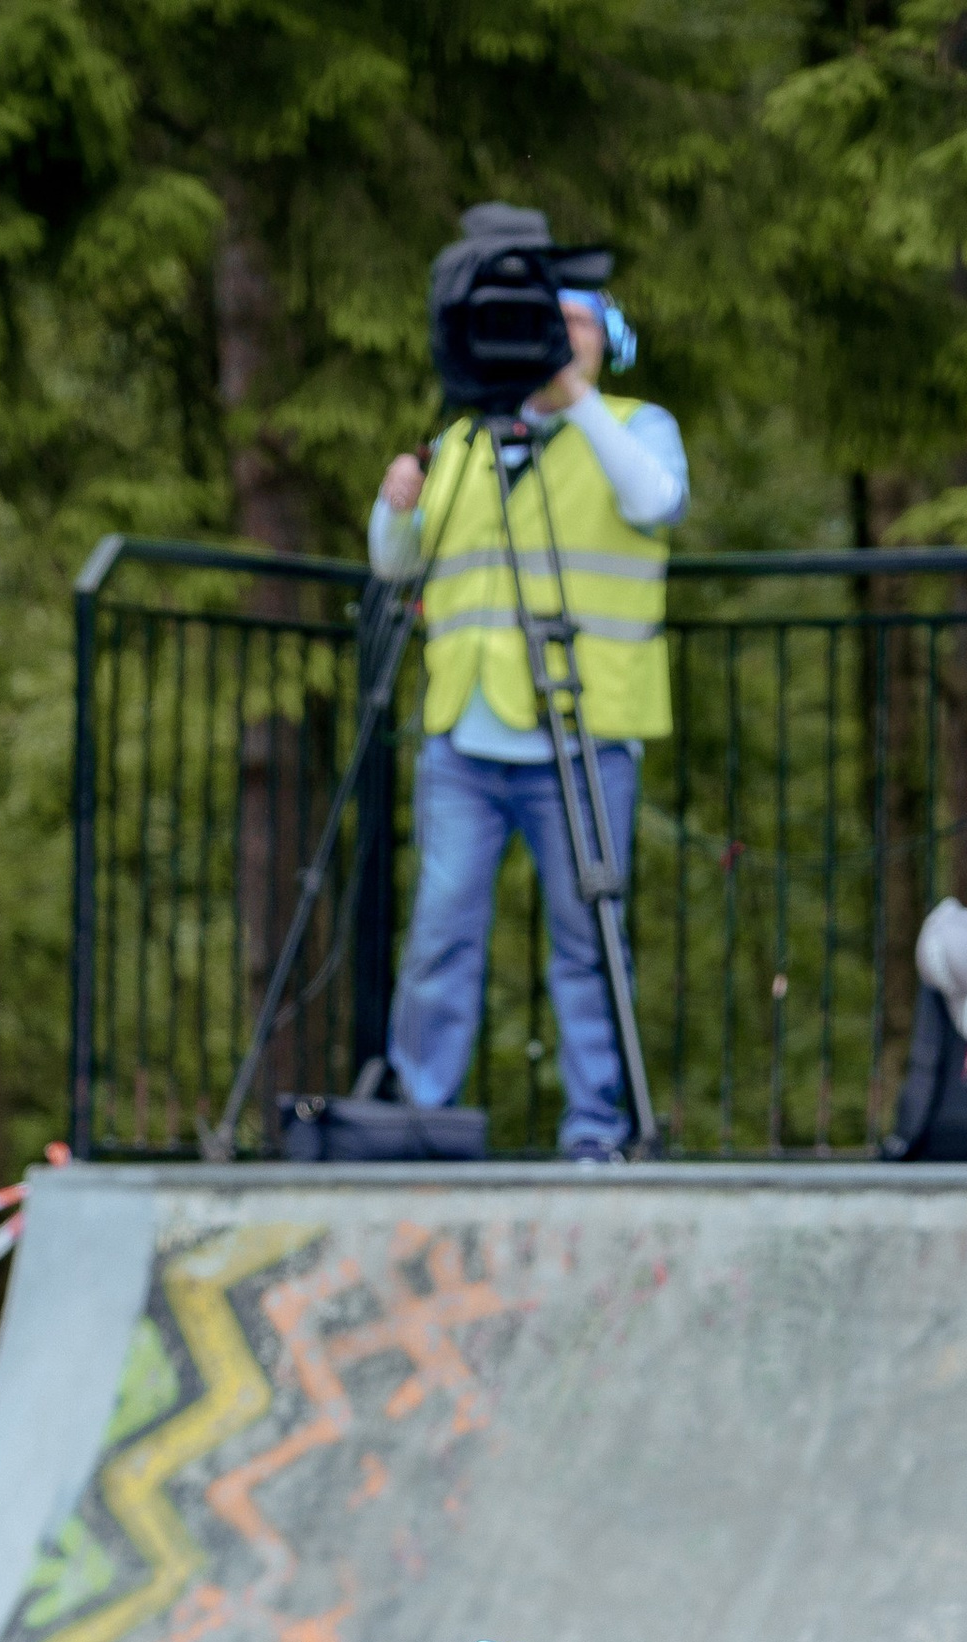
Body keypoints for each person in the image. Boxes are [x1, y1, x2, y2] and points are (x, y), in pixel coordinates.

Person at [372, 205, 687, 1162]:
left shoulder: (635, 426)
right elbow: (397, 564)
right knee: (439, 936)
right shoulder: (464, 442)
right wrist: (394, 507)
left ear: (603, 339)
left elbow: (657, 500)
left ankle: (597, 1132)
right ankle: (423, 1119)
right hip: (465, 736)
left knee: (587, 942)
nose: (556, 336)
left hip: (583, 738)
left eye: (575, 322)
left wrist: (574, 395)